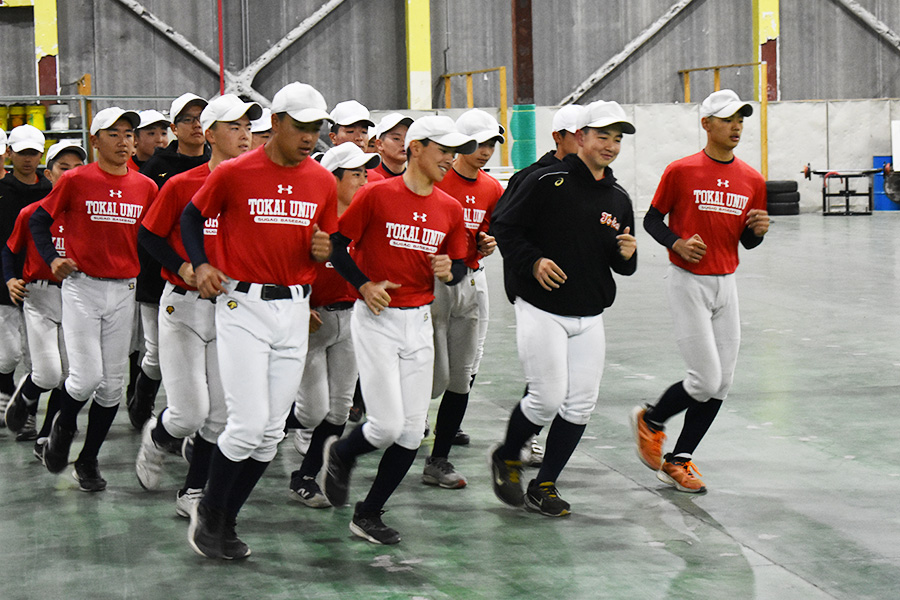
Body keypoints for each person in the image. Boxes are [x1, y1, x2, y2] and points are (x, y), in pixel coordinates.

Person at [181, 82, 336, 560]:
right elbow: (191, 217)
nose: (310, 137)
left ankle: (224, 518)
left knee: (270, 433)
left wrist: (324, 248)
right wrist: (201, 262)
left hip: (293, 307)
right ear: (278, 123)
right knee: (247, 426)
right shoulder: (235, 172)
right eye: (302, 127)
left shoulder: (322, 181)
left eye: (316, 128)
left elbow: (325, 235)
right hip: (241, 304)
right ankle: (209, 510)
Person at [321, 115, 474, 545]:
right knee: (386, 426)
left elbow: (457, 264)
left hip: (420, 322)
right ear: (417, 148)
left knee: (410, 432)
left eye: (452, 152)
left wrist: (451, 270)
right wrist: (363, 285)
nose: (450, 159)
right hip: (376, 321)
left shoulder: (450, 208)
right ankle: (344, 452)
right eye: (443, 151)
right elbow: (337, 244)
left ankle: (367, 513)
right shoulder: (375, 196)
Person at [489, 100, 637, 517]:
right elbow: (504, 226)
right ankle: (508, 455)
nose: (610, 145)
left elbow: (622, 264)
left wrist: (628, 254)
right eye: (602, 136)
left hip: (591, 313)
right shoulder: (545, 181)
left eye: (617, 139)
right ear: (581, 137)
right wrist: (533, 261)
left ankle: (545, 483)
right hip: (543, 307)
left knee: (581, 405)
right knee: (546, 398)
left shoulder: (618, 197)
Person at [631, 89, 769, 493]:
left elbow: (747, 242)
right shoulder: (682, 171)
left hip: (727, 283)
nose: (737, 126)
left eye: (741, 119)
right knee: (705, 380)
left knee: (722, 382)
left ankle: (680, 458)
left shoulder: (752, 179)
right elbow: (653, 221)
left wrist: (755, 232)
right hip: (688, 281)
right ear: (706, 124)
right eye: (727, 119)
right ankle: (651, 419)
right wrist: (676, 243)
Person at [133, 95, 261, 521]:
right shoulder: (182, 184)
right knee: (189, 412)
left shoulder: (252, 187)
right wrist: (182, 265)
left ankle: (193, 489)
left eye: (247, 125)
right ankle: (158, 437)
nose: (243, 134)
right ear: (209, 135)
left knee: (222, 414)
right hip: (183, 308)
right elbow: (149, 236)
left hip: (234, 307)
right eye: (233, 126)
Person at [30, 107, 156, 492]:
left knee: (112, 386)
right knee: (85, 378)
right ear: (95, 140)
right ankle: (62, 429)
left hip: (125, 289)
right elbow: (39, 220)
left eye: (129, 133)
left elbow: (155, 235)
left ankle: (88, 462)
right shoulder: (76, 180)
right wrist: (52, 258)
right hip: (82, 287)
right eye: (114, 133)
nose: (124, 141)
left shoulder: (146, 187)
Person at [287, 141, 380, 507]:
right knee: (311, 410)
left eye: (364, 172)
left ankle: (305, 477)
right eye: (355, 173)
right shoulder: (313, 221)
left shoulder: (365, 219)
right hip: (313, 321)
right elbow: (290, 264)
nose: (364, 178)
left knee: (340, 409)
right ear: (333, 178)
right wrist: (300, 303)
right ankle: (262, 425)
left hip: (351, 319)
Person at [493, 104, 584, 468]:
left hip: (577, 297)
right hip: (538, 296)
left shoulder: (594, 181)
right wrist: (526, 277)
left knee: (566, 381)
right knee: (545, 378)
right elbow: (507, 230)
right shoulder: (533, 178)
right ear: (558, 138)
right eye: (577, 135)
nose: (585, 142)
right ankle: (524, 440)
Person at [423, 109, 504, 488]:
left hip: (469, 280)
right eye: (477, 143)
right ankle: (404, 426)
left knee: (461, 376)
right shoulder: (439, 181)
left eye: (490, 144)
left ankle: (438, 459)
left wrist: (487, 241)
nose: (485, 151)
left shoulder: (491, 188)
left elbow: (487, 229)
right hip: (432, 284)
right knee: (432, 376)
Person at [128, 93, 211, 432]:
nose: (196, 126)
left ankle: (196, 426)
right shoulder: (156, 170)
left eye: (201, 119)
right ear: (175, 128)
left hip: (209, 282)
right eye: (188, 120)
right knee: (158, 355)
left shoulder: (221, 166)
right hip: (160, 274)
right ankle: (143, 397)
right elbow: (147, 231)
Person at [3, 141, 85, 449]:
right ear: (48, 173)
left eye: (78, 168)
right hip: (39, 297)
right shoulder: (31, 213)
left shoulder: (86, 215)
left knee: (71, 376)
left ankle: (47, 435)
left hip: (79, 297)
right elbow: (10, 250)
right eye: (64, 167)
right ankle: (25, 397)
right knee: (49, 373)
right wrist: (10, 279)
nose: (72, 173)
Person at [0, 124, 52, 425]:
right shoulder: (2, 192)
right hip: (4, 281)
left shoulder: (50, 192)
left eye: (33, 153)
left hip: (40, 284)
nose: (28, 159)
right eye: (22, 153)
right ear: (10, 154)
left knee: (37, 359)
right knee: (7, 354)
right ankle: (6, 390)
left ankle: (26, 412)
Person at [371, 112, 413, 178]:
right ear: (380, 144)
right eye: (396, 138)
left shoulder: (417, 181)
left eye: (408, 138)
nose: (404, 143)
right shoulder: (368, 179)